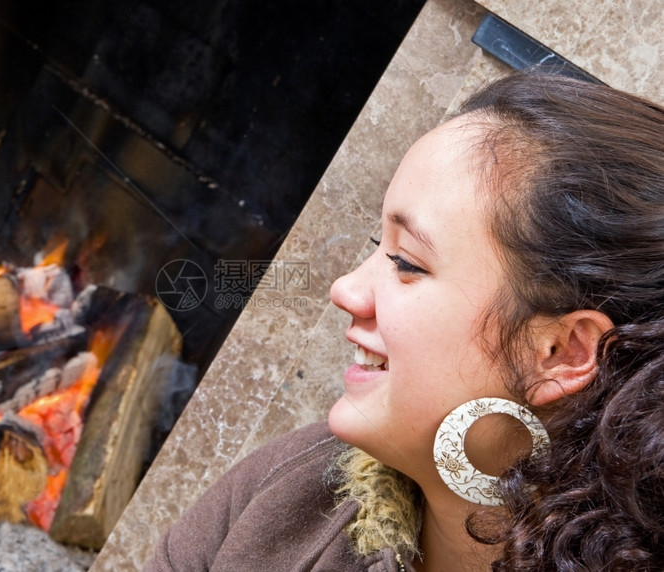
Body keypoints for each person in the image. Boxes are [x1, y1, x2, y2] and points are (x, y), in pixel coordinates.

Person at [143, 69, 664, 571]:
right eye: (378, 247)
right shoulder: (302, 485)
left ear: (561, 353)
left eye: (407, 263)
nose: (344, 289)